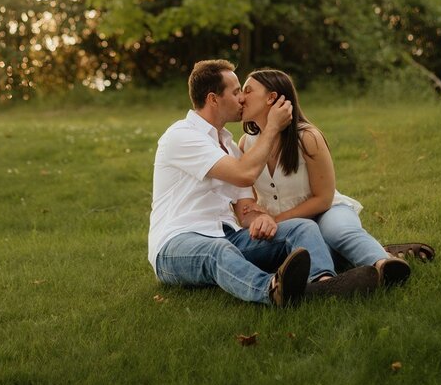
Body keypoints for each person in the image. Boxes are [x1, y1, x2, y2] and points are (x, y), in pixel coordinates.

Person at [149, 59, 381, 306]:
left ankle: (323, 284)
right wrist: (271, 128)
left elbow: (245, 207)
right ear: (213, 99)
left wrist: (259, 219)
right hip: (178, 244)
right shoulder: (182, 135)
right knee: (216, 252)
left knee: (302, 227)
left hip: (229, 236)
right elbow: (243, 174)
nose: (241, 98)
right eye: (236, 91)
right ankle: (271, 290)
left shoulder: (229, 147)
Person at [237, 68, 427, 285]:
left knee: (337, 231)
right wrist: (258, 216)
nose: (241, 98)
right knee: (313, 253)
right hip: (291, 228)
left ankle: (385, 264)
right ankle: (378, 252)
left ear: (271, 97)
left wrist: (275, 219)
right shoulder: (246, 144)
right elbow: (249, 199)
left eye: (248, 91)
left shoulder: (307, 137)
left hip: (326, 211)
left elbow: (323, 198)